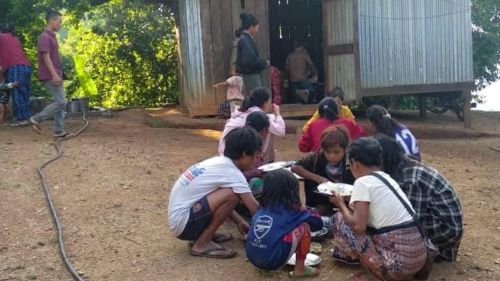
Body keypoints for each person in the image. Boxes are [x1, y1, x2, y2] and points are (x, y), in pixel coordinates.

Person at [327, 137, 428, 281]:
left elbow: (359, 227)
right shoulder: (387, 178)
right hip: (418, 259)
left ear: (355, 163)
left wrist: (340, 204)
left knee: (340, 219)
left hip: (397, 266)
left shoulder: (362, 183)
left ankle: (377, 274)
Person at [168, 127, 261, 258]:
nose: (256, 160)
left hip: (180, 221)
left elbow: (216, 200)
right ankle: (202, 244)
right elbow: (255, 209)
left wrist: (239, 221)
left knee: (228, 193)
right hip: (184, 225)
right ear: (245, 154)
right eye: (255, 156)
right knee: (232, 195)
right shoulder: (232, 173)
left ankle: (202, 236)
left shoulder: (217, 162)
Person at [375, 134, 463, 262]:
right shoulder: (405, 166)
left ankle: (423, 253)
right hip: (445, 228)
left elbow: (412, 219)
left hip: (446, 234)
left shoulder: (410, 179)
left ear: (383, 161)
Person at [246, 169, 323, 278]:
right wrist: (304, 209)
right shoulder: (295, 212)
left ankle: (264, 268)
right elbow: (318, 224)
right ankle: (300, 269)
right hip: (274, 261)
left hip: (253, 258)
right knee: (305, 226)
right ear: (293, 191)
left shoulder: (261, 209)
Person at [292, 126, 355, 210]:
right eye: (328, 152)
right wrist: (317, 178)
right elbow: (295, 167)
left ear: (345, 149)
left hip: (346, 204)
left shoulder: (352, 160)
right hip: (320, 203)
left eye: (337, 152)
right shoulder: (317, 157)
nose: (332, 156)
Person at [218, 88, 285, 164]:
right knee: (268, 125)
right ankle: (267, 161)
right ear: (265, 103)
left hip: (224, 152)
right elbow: (281, 131)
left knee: (269, 122)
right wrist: (277, 114)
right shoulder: (258, 115)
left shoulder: (244, 111)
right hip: (236, 155)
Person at [29, 11, 67, 138]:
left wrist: (60, 73)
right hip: (51, 74)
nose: (60, 24)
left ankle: (59, 130)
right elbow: (46, 57)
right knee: (61, 102)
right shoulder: (45, 37)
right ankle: (37, 118)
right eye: (59, 21)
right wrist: (54, 74)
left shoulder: (52, 36)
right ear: (52, 20)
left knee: (60, 101)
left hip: (56, 73)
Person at [299, 97, 366, 153]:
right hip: (345, 164)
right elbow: (363, 137)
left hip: (320, 165)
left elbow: (303, 147)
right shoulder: (349, 123)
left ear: (319, 112)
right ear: (337, 110)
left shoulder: (313, 125)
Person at [0, 23, 33, 126]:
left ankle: (21, 119)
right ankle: (27, 117)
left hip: (15, 67)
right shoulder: (15, 38)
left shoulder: (1, 37)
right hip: (26, 66)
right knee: (24, 93)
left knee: (17, 93)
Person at [236, 13, 268, 93]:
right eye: (257, 28)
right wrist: (264, 63)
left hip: (251, 75)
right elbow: (249, 61)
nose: (257, 31)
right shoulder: (245, 40)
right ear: (251, 27)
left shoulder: (245, 39)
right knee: (256, 100)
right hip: (251, 76)